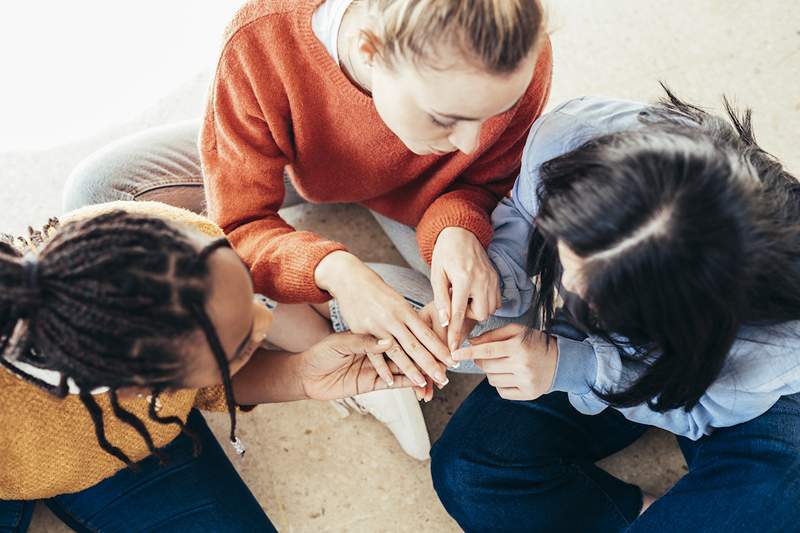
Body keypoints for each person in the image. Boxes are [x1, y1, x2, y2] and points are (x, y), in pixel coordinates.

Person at [62, 0, 553, 459]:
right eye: (446, 118)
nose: (468, 143)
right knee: (98, 197)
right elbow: (241, 220)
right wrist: (336, 272)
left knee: (510, 331)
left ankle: (361, 346)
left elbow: (483, 175)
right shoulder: (262, 39)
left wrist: (458, 229)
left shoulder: (513, 47)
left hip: (424, 193)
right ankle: (338, 347)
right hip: (300, 156)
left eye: (488, 116)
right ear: (370, 49)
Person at [424, 89, 800, 531]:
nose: (568, 290)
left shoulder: (778, 339)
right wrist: (494, 276)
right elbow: (525, 212)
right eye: (570, 258)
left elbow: (698, 411)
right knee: (470, 470)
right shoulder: (571, 138)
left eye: (596, 297)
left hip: (761, 396)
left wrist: (575, 367)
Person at [0, 200, 420, 532]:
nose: (268, 320)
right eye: (239, 345)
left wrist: (302, 375)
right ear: (137, 386)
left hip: (124, 446)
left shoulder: (175, 233)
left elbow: (201, 389)